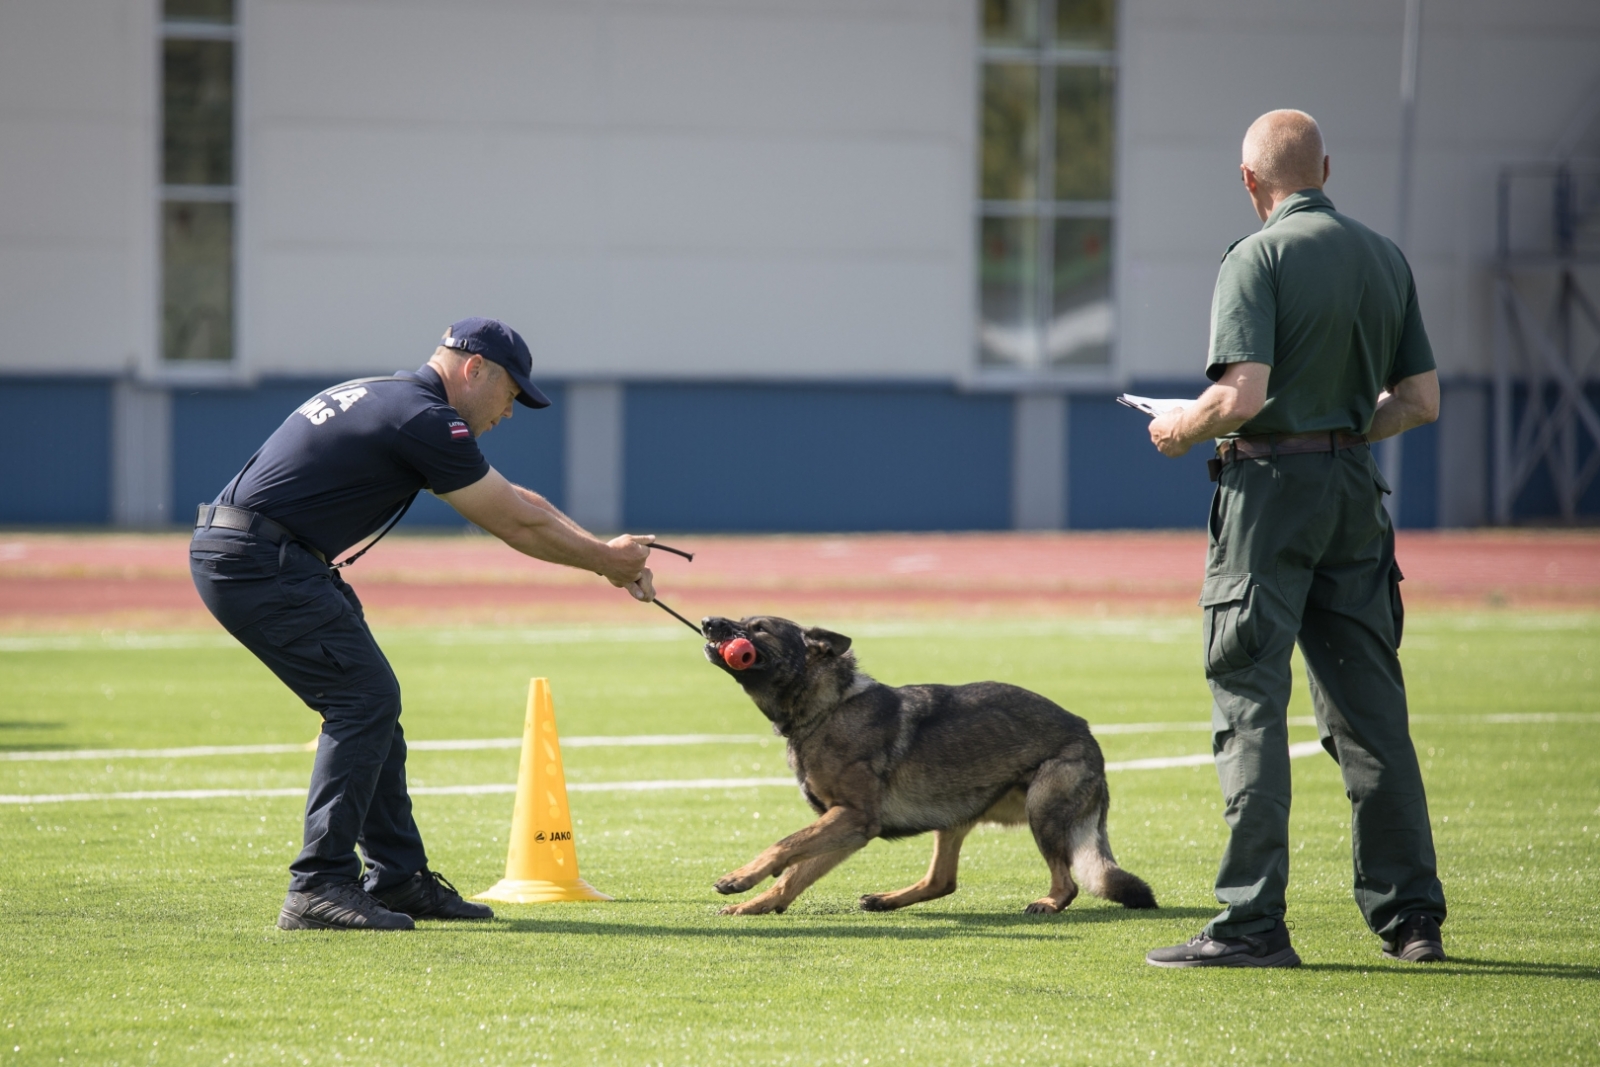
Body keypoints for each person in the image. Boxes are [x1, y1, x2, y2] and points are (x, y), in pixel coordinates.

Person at [190, 318, 657, 931]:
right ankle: (320, 885)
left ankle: (399, 879)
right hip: (260, 562)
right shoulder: (425, 418)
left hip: (263, 556)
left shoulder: (396, 399)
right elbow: (514, 525)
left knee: (373, 703)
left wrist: (603, 553)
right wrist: (608, 563)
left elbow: (517, 501)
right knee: (363, 699)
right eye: (511, 394)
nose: (510, 412)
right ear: (475, 370)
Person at [1142, 111, 1447, 968]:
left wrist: (1178, 428)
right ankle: (1412, 918)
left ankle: (1250, 922)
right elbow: (1421, 400)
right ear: (1325, 168)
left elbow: (1239, 396)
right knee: (1371, 710)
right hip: (1355, 490)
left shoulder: (1257, 257)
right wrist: (1343, 428)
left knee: (1249, 702)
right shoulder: (1384, 256)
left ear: (1249, 181)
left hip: (1268, 494)